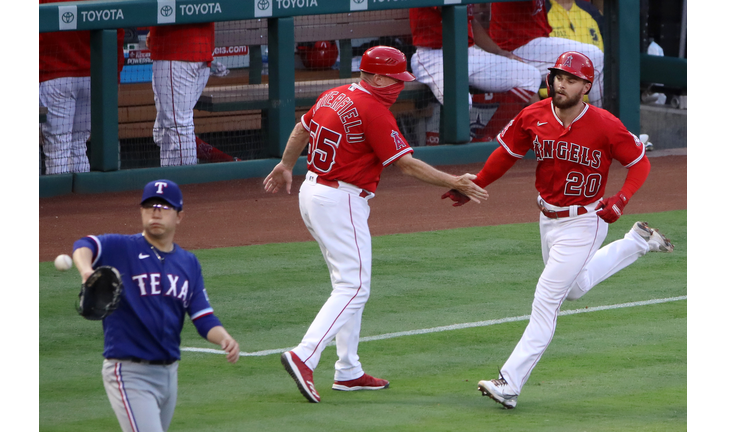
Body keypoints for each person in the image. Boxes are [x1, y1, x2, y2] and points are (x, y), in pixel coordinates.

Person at [442, 51, 674, 409]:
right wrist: (476, 184)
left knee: (546, 299)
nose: (560, 84)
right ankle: (637, 243)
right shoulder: (533, 115)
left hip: (585, 221)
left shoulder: (605, 124)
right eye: (557, 77)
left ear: (586, 86)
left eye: (570, 79)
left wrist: (622, 199)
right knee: (575, 289)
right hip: (547, 218)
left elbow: (639, 163)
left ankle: (509, 382)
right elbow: (506, 154)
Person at [263, 46, 488, 403]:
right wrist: (454, 182)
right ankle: (304, 356)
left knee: (346, 284)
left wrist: (286, 165)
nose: (401, 86)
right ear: (379, 77)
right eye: (397, 80)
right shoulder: (374, 110)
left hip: (314, 192)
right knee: (354, 287)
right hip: (340, 200)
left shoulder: (333, 95)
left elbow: (300, 128)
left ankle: (348, 370)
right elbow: (408, 165)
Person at [71, 179, 240, 430]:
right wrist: (86, 270)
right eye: (150, 206)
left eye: (164, 206)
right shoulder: (122, 247)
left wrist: (225, 338)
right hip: (129, 372)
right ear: (141, 211)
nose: (156, 211)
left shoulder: (188, 263)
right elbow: (84, 245)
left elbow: (203, 317)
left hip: (169, 376)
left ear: (179, 216)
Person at [409, 5, 542, 144]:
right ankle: (457, 159)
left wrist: (498, 51)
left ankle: (488, 138)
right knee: (461, 102)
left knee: (529, 75)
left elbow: (471, 22)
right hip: (434, 56)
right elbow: (449, 8)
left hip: (469, 52)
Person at [39, 0, 124, 175]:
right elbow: (117, 28)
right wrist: (113, 76)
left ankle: (62, 199)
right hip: (94, 76)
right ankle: (80, 199)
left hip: (55, 75)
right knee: (78, 144)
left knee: (58, 147)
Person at [488, 0, 605, 107]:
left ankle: (599, 121)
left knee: (595, 56)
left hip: (536, 43)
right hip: (515, 46)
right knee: (594, 57)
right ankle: (601, 122)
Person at [147, 23, 215, 166]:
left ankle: (186, 184)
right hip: (199, 47)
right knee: (167, 130)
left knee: (178, 128)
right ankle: (171, 184)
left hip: (175, 49)